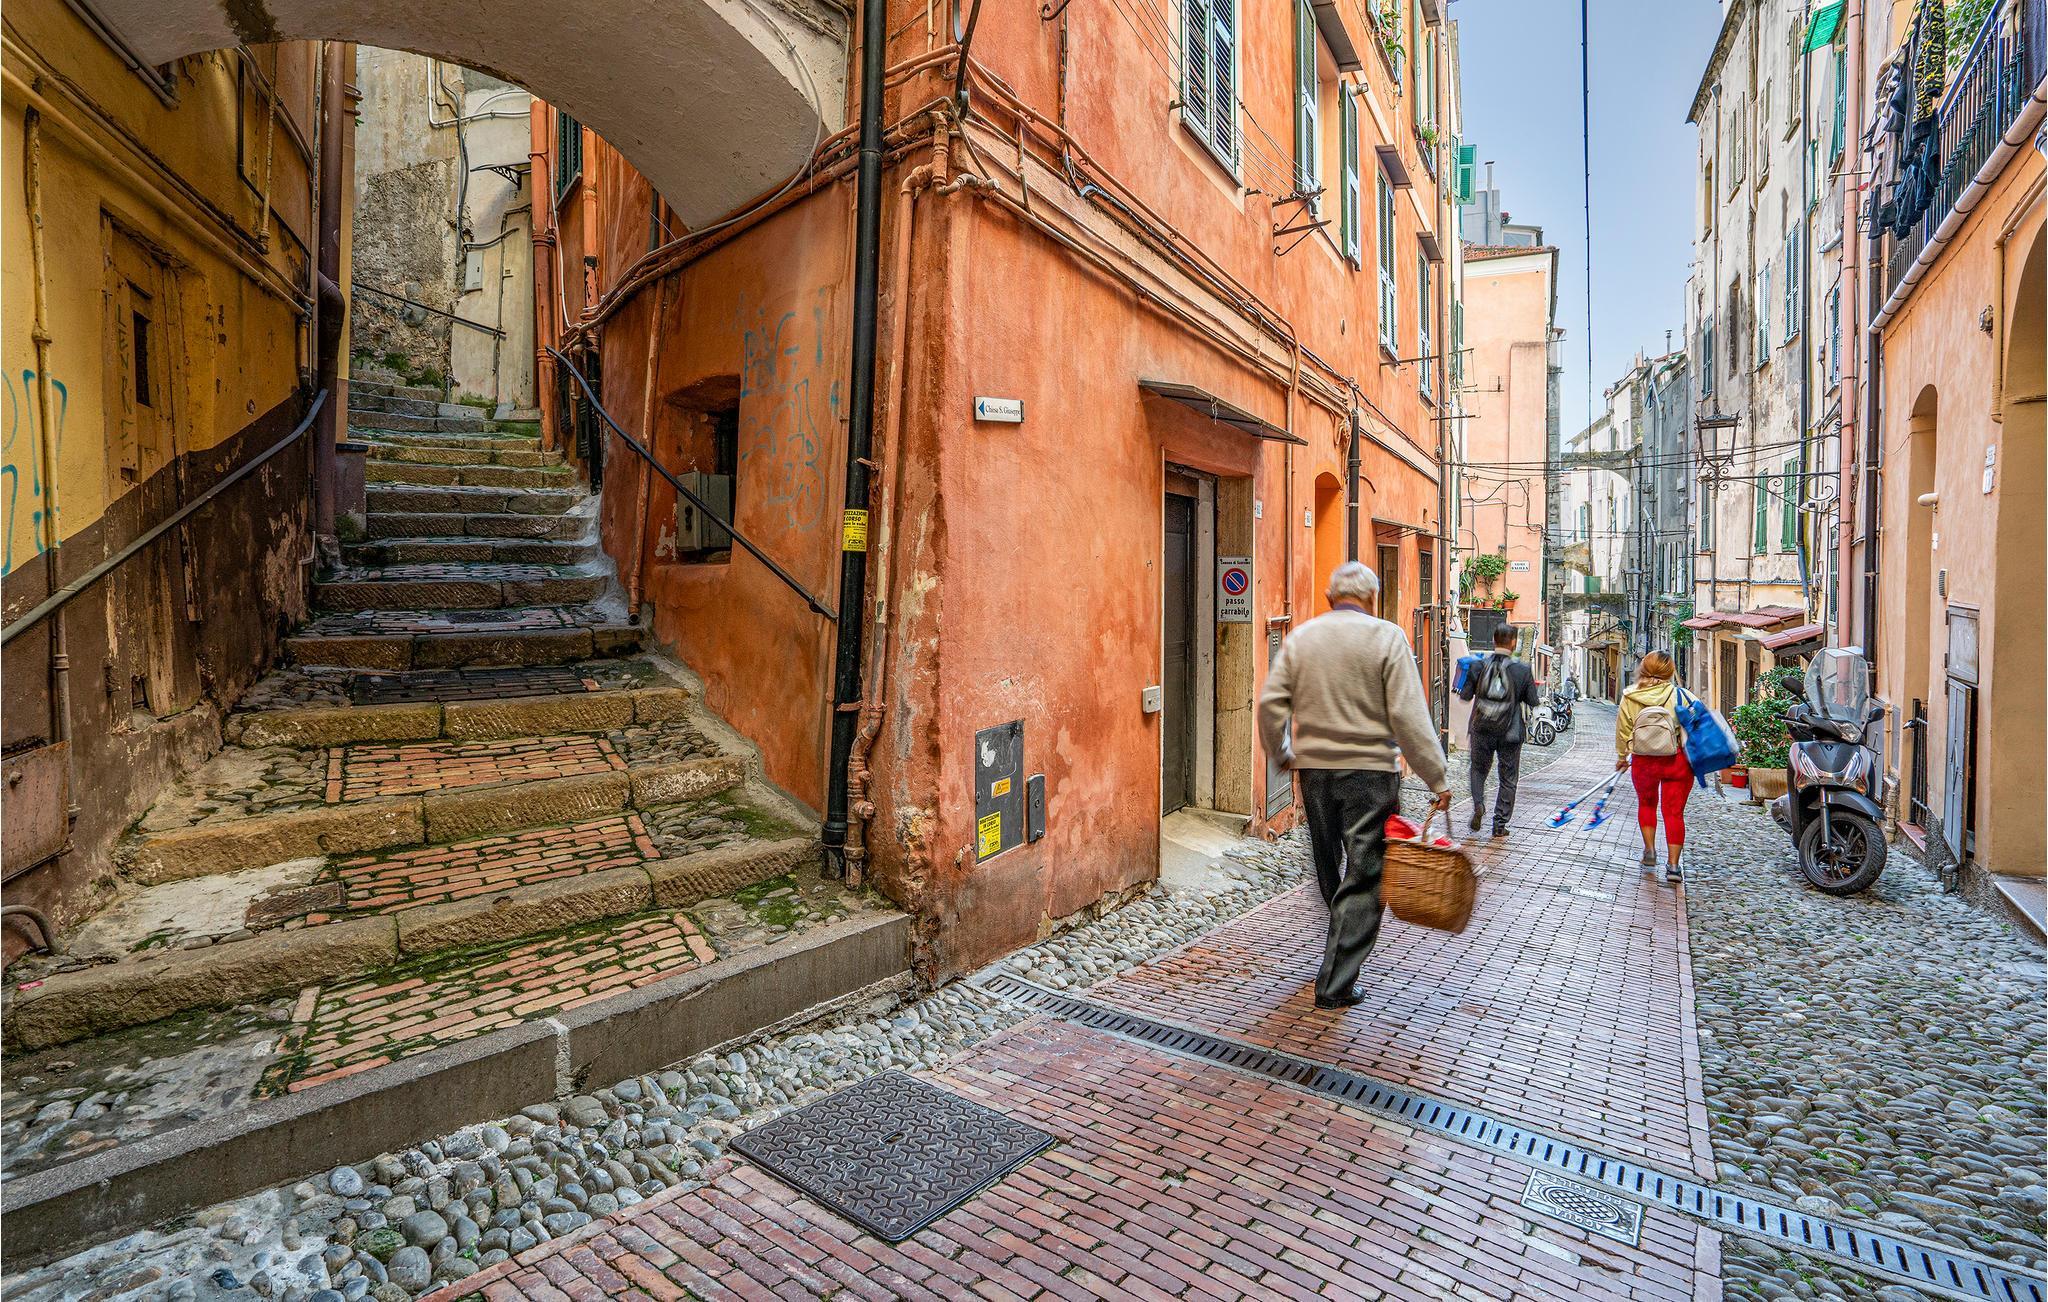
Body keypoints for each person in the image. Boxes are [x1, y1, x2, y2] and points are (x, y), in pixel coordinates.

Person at [1258, 562, 1452, 1009]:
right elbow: (1409, 716)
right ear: (1373, 599)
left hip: (1315, 771)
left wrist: (1282, 752)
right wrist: (1437, 777)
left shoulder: (1303, 637)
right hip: (1370, 773)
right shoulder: (1388, 638)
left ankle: (1339, 948)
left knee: (1329, 864)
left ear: (1331, 599)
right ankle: (1336, 984)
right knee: (1365, 875)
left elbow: (1271, 704)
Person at [1615, 650, 1693, 883]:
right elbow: (1698, 724)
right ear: (1670, 671)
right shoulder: (1682, 696)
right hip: (1676, 760)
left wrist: (1622, 756)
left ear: (1643, 669)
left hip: (1644, 760)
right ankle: (1674, 866)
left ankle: (1649, 851)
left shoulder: (1630, 696)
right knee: (1674, 812)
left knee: (1647, 804)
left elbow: (1623, 730)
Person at [1456, 623, 1540, 837]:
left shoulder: (1478, 666)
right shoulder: (1522, 670)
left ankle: (1478, 804)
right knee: (1508, 778)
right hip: (1510, 732)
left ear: (1494, 640)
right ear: (1513, 643)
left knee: (1478, 770)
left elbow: (1465, 696)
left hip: (1482, 728)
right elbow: (1533, 700)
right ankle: (1499, 824)